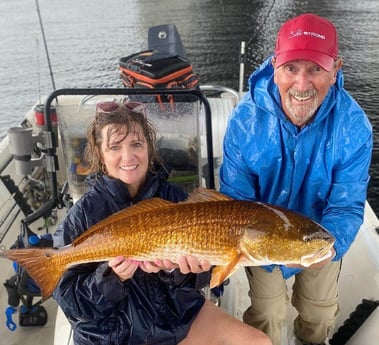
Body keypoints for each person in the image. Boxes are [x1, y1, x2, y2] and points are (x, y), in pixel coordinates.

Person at [51, 101, 272, 345]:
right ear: (100, 155)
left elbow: (205, 272)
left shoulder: (176, 198)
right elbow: (71, 303)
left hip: (175, 319)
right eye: (115, 147)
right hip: (115, 334)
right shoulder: (82, 215)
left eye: (136, 144)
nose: (128, 156)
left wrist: (180, 273)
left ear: (149, 147)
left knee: (257, 342)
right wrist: (110, 278)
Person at [219, 13, 372, 345]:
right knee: (268, 312)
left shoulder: (354, 128)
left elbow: (345, 207)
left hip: (320, 232)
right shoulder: (244, 120)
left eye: (316, 69)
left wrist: (329, 251)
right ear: (275, 66)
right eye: (291, 68)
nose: (302, 85)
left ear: (336, 68)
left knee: (318, 313)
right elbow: (234, 204)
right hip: (260, 236)